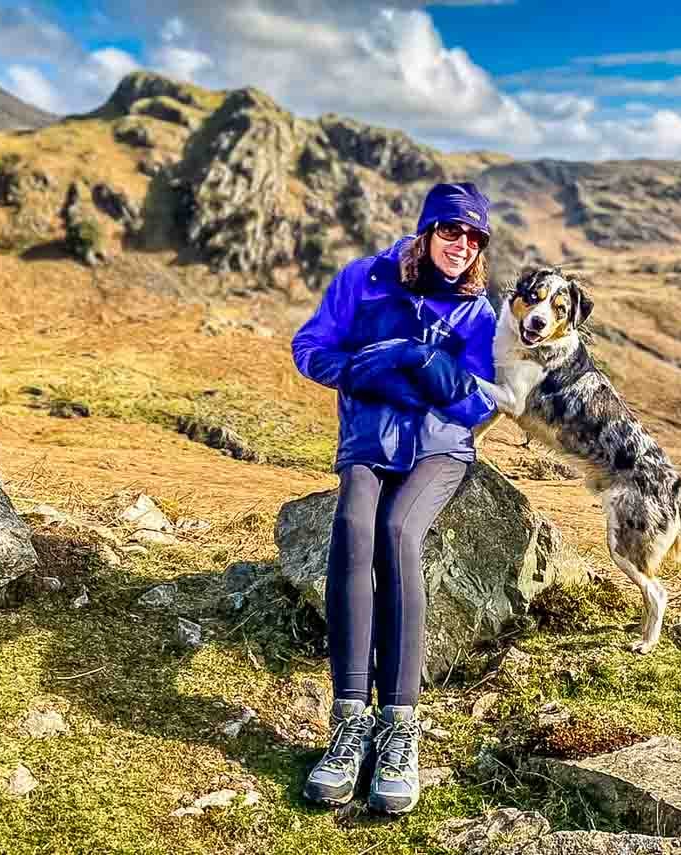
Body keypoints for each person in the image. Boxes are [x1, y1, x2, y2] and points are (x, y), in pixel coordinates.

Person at [290, 182, 497, 814]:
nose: (461, 246)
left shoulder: (479, 312)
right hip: (367, 440)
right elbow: (309, 347)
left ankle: (400, 725)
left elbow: (483, 402)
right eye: (450, 231)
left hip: (439, 449)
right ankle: (350, 722)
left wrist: (433, 369)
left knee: (399, 534)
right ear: (427, 230)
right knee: (354, 527)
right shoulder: (365, 278)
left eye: (474, 237)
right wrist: (357, 370)